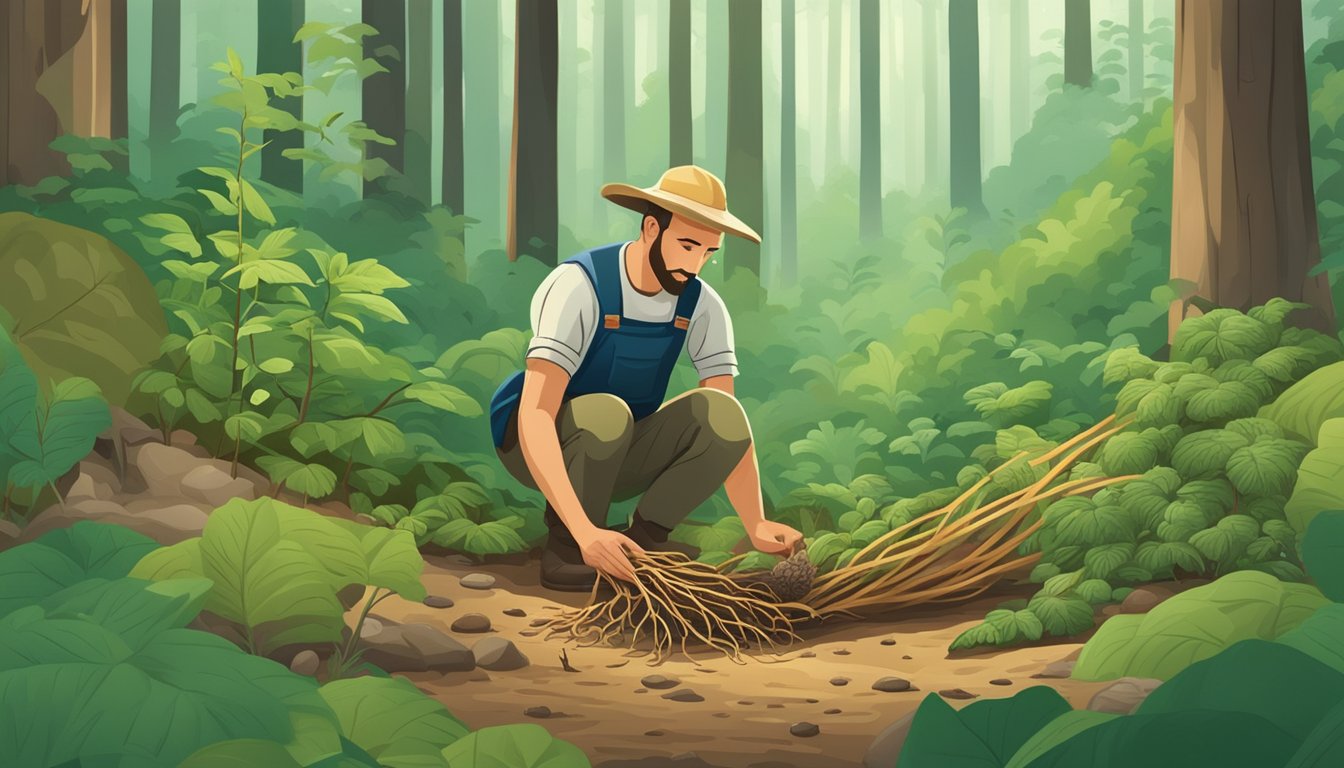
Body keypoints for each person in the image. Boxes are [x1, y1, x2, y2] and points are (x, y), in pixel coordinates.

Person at [489, 165, 804, 591]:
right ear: (652, 228)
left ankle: (644, 542)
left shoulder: (702, 305)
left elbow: (729, 418)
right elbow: (536, 412)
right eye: (687, 245)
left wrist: (756, 523)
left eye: (709, 252)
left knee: (721, 415)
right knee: (606, 414)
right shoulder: (580, 285)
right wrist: (583, 532)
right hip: (535, 440)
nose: (695, 265)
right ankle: (566, 546)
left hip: (619, 447)